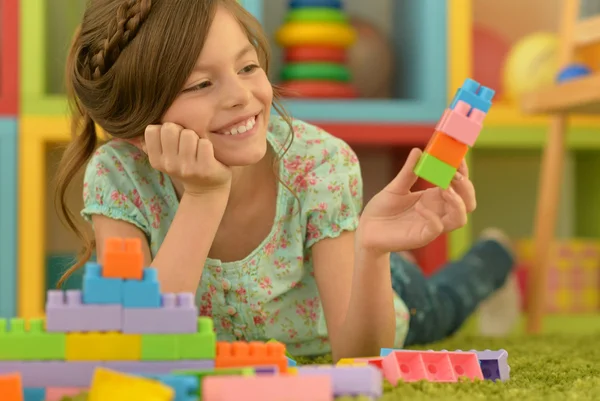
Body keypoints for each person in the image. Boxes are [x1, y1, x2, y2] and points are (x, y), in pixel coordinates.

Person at [54, 0, 516, 361]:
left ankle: (495, 255)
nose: (243, 96)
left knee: (446, 301)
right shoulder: (120, 176)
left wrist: (373, 250)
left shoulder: (318, 164)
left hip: (371, 288)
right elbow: (142, 341)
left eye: (248, 66)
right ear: (137, 130)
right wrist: (203, 195)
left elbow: (356, 356)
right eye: (200, 85)